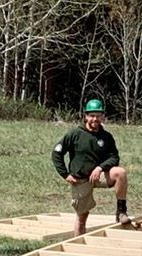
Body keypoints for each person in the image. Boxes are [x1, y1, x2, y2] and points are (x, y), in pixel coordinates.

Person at [52, 98, 129, 237]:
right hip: (80, 179)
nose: (95, 119)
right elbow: (57, 152)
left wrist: (100, 168)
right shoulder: (75, 134)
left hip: (98, 176)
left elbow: (114, 158)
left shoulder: (106, 136)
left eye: (98, 116)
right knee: (82, 216)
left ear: (102, 116)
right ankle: (78, 243)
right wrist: (65, 174)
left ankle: (121, 211)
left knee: (120, 173)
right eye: (92, 115)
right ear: (86, 116)